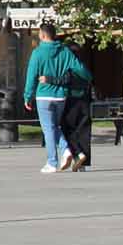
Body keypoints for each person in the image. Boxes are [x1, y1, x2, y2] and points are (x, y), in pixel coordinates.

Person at [23, 23, 89, 173]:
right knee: (54, 127)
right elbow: (81, 69)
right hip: (61, 96)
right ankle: (69, 151)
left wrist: (28, 96)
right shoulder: (65, 51)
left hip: (44, 95)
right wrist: (87, 78)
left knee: (48, 129)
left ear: (43, 35)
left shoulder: (38, 53)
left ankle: (52, 161)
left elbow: (31, 76)